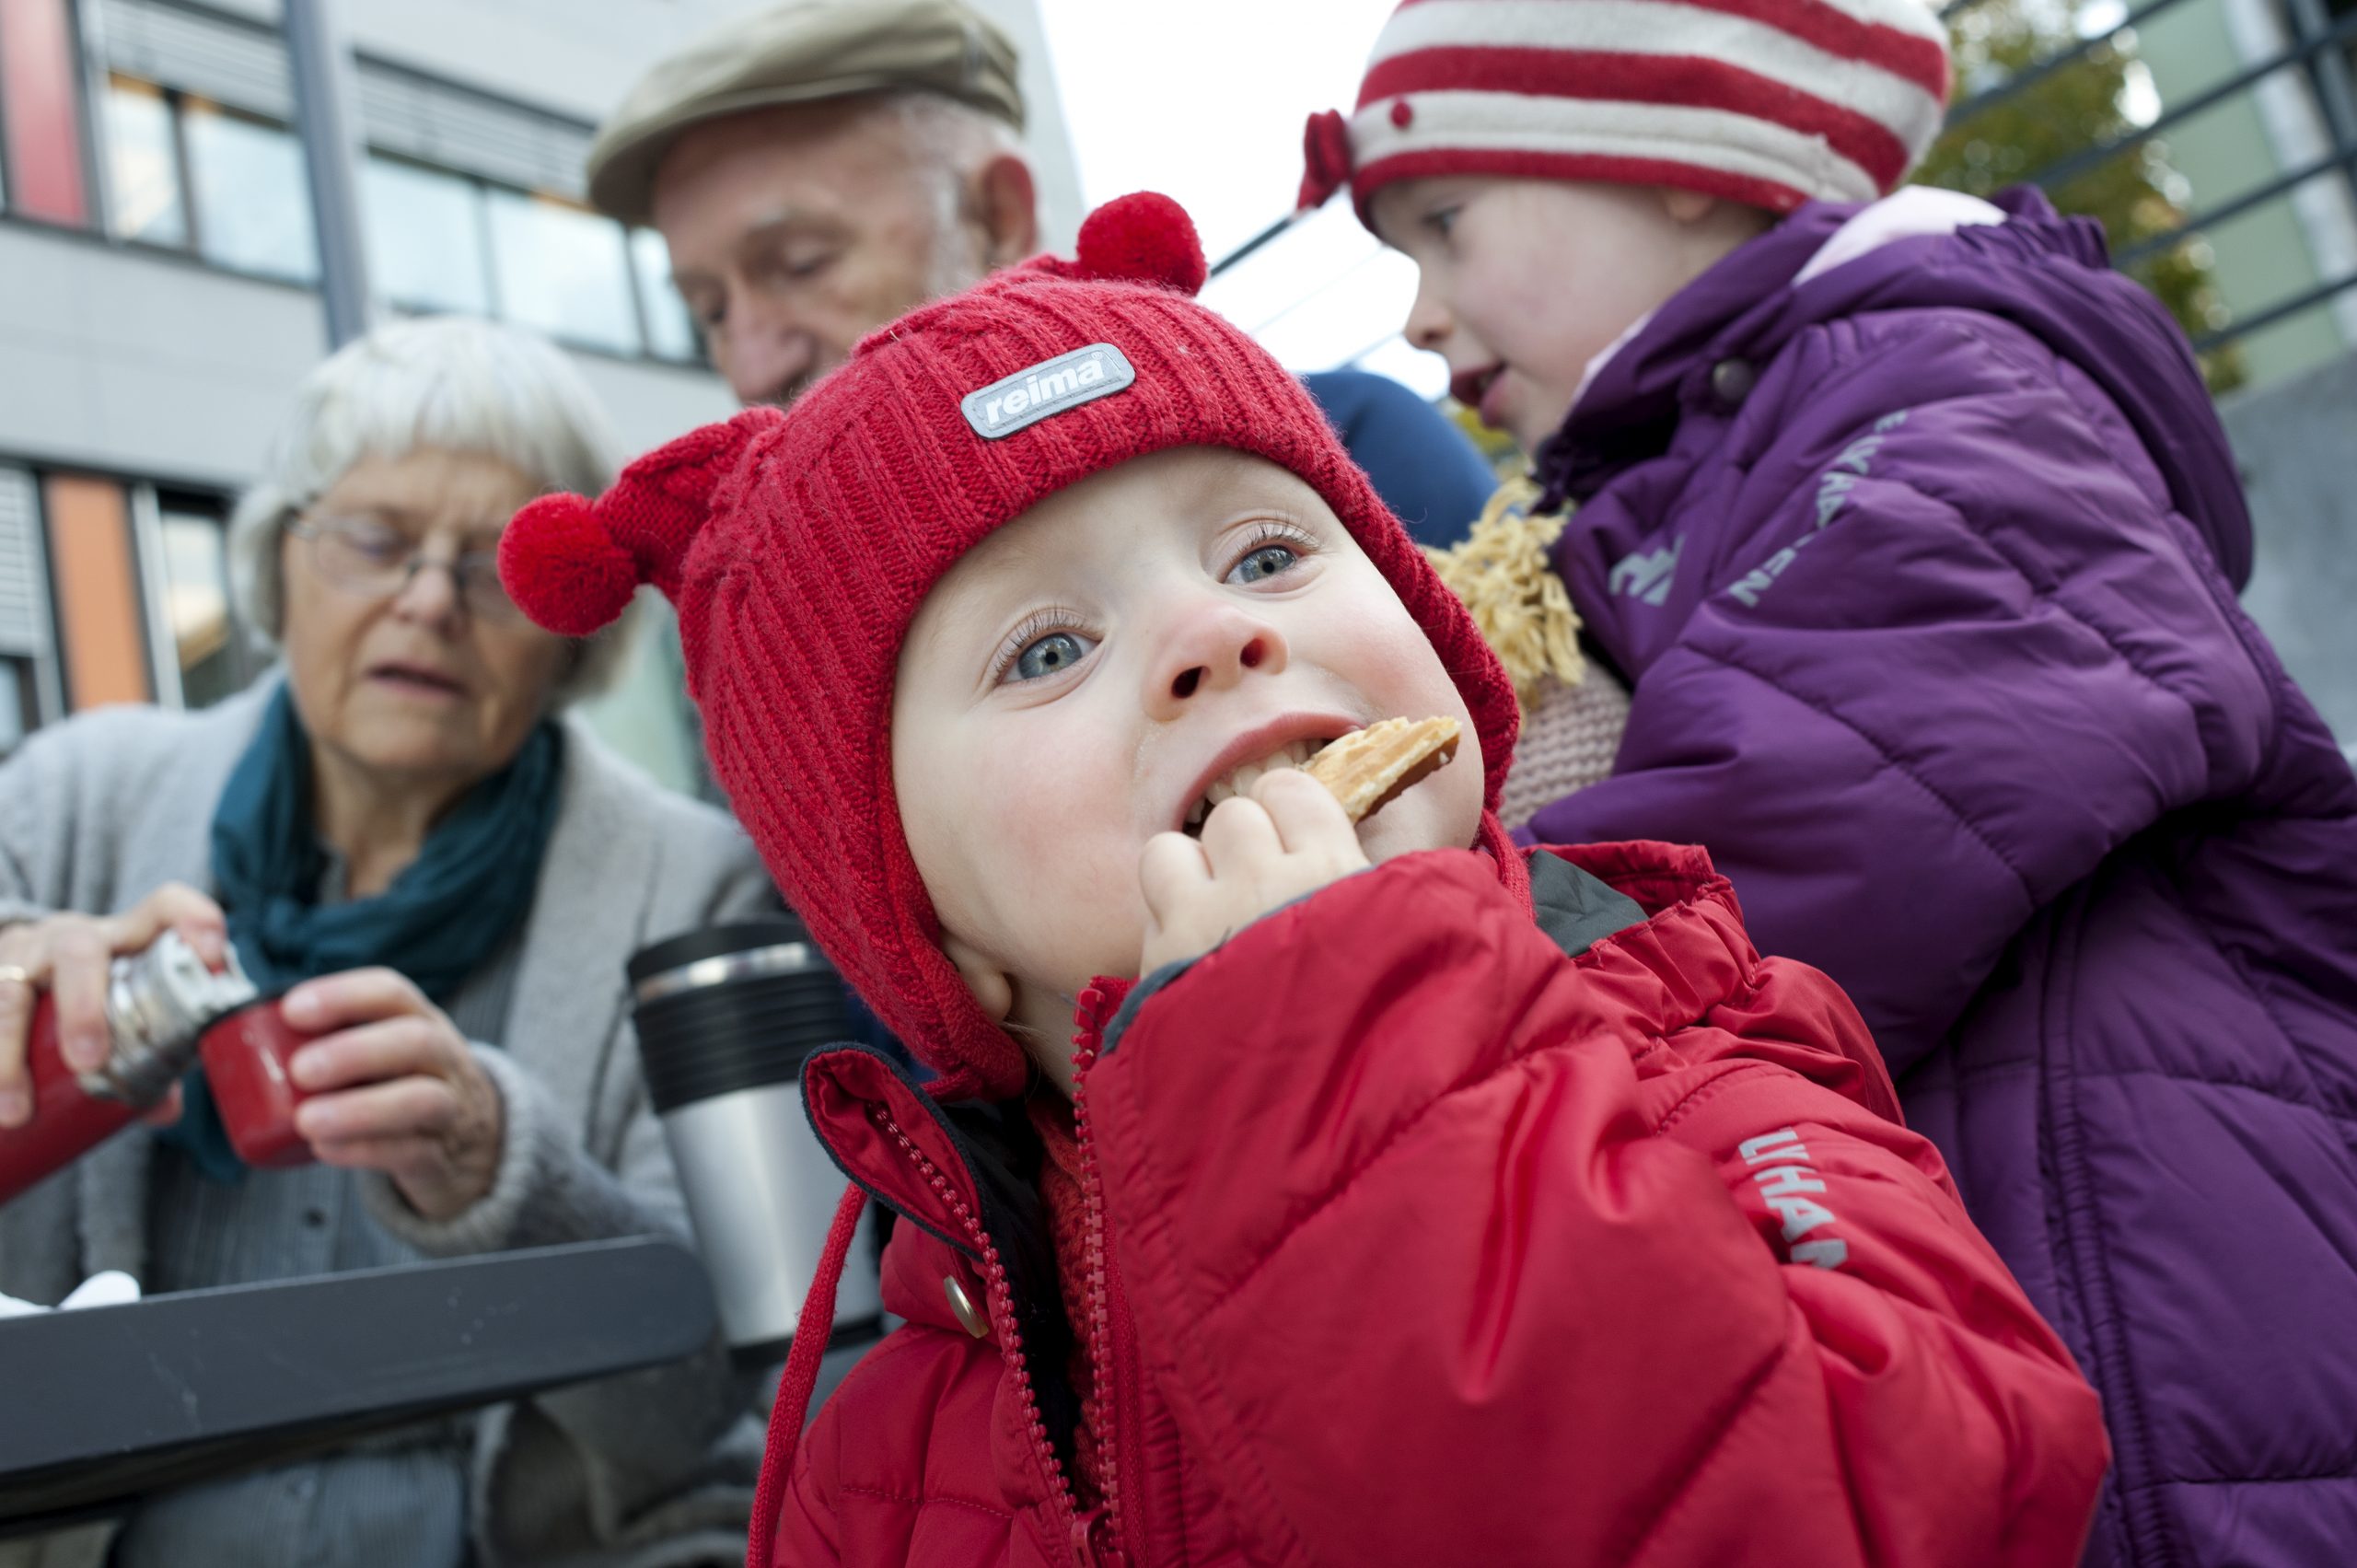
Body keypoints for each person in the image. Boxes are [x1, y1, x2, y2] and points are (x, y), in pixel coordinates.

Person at [497, 191, 2107, 1567]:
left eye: (1266, 555)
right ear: (935, 933)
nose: (1215, 632)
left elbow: (1899, 1501)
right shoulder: (891, 1438)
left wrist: (1342, 1042)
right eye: (1047, 648)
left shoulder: (1712, 1056)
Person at [1297, 4, 2357, 1563]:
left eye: (1445, 224)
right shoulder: (1680, 472)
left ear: (1678, 158)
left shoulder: (1946, 374)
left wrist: (1425, 956)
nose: (1420, 314)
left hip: (2172, 1291)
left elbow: (1836, 792)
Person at [0, 317, 774, 1568]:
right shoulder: (68, 803)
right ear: (280, 563)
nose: (427, 600)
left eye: (494, 564)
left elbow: (707, 1407)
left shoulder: (692, 886)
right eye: (375, 540)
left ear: (573, 624)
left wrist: (501, 1174)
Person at [585, 0, 1494, 542]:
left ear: (998, 217)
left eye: (800, 263)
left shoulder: (1343, 459)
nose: (751, 365)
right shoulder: (779, 636)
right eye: (708, 311)